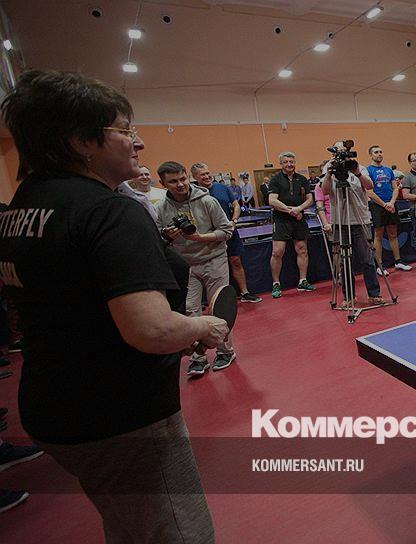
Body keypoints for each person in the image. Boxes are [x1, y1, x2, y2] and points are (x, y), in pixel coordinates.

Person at [0, 69, 225, 542]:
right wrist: (200, 326)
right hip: (120, 415)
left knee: (128, 524)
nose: (137, 142)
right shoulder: (106, 210)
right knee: (175, 533)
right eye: (124, 130)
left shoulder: (21, 207)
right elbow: (151, 330)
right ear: (81, 140)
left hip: (50, 406)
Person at [156, 161, 237, 375]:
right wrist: (167, 236)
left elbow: (226, 231)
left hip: (214, 259)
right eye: (173, 181)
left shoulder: (208, 201)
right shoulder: (161, 208)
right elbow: (157, 239)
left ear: (188, 177)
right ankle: (197, 356)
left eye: (182, 179)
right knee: (190, 311)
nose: (180, 184)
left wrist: (201, 237)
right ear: (163, 184)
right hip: (186, 266)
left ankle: (225, 351)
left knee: (219, 308)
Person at [320, 143, 384, 305]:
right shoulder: (329, 168)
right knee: (344, 262)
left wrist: (357, 172)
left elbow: (369, 186)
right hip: (340, 222)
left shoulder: (359, 167)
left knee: (367, 259)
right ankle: (348, 297)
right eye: (338, 150)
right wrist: (329, 174)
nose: (342, 153)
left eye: (344, 150)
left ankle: (374, 294)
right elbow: (325, 190)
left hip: (360, 219)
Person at [191, 163, 261, 303]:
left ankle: (245, 293)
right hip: (208, 236)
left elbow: (236, 205)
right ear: (194, 177)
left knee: (236, 261)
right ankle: (216, 300)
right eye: (202, 174)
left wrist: (233, 221)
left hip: (228, 231)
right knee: (211, 267)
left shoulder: (222, 188)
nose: (207, 176)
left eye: (208, 173)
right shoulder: (192, 193)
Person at [266, 151, 314, 298]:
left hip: (299, 218)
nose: (289, 164)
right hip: (281, 220)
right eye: (286, 162)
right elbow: (272, 200)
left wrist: (299, 208)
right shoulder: (275, 180)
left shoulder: (302, 179)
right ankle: (276, 283)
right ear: (281, 164)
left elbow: (310, 199)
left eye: (291, 162)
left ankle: (303, 281)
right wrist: (290, 210)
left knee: (302, 250)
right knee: (277, 252)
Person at [365, 145, 409, 273]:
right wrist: (384, 205)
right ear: (371, 155)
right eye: (376, 152)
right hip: (377, 206)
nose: (379, 154)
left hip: (391, 204)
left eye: (380, 152)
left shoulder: (388, 170)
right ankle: (380, 266)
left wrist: (392, 202)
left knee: (393, 233)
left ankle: (398, 262)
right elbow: (369, 192)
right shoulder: (368, 171)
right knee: (378, 235)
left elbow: (395, 188)